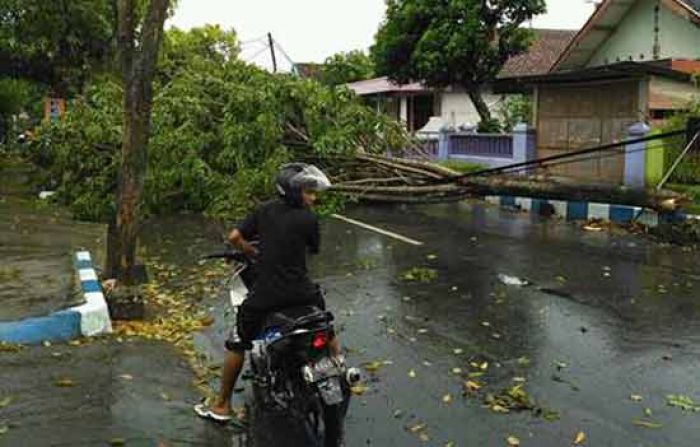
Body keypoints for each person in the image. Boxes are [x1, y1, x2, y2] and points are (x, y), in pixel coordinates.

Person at [195, 163, 339, 424]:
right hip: (303, 293)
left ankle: (222, 405)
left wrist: (252, 251)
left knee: (237, 341)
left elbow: (234, 236)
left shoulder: (263, 211)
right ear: (294, 192)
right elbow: (312, 248)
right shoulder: (309, 218)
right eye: (308, 192)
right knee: (325, 323)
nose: (313, 197)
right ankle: (337, 366)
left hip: (268, 294)